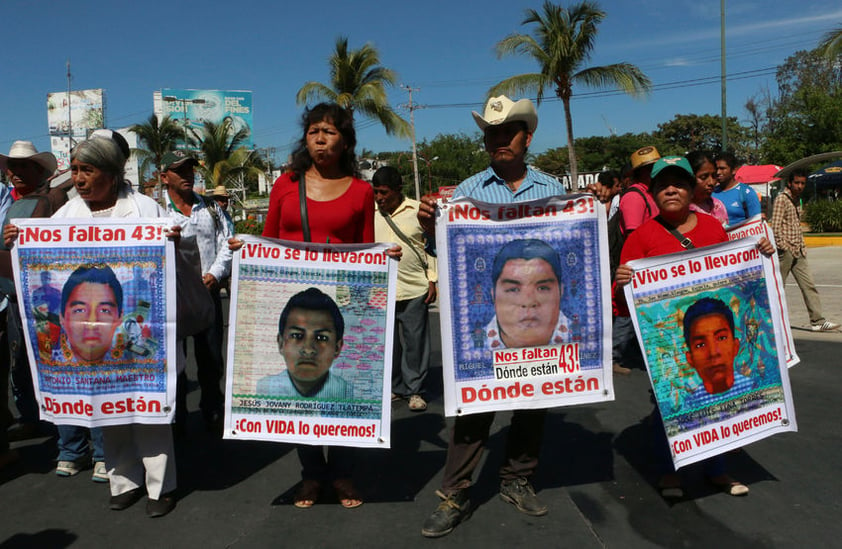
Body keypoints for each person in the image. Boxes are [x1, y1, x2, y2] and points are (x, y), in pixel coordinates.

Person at [231, 103, 399, 509]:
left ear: (346, 140)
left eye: (329, 131)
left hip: (341, 304)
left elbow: (365, 248)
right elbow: (268, 238)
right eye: (313, 131)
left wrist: (384, 259)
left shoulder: (361, 191)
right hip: (293, 303)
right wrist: (246, 250)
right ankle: (310, 476)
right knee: (300, 394)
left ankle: (341, 474)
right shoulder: (285, 185)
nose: (320, 139)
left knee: (343, 392)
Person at [8, 130, 181, 516]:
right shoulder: (66, 215)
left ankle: (161, 486)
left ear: (112, 172)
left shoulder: (144, 211)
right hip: (95, 344)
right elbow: (43, 262)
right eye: (75, 170)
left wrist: (173, 238)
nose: (80, 178)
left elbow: (171, 263)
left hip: (135, 337)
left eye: (88, 170)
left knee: (148, 412)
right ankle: (124, 481)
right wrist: (16, 242)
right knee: (109, 409)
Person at [417, 95, 566, 538]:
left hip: (538, 321)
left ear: (527, 138)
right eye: (492, 134)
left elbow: (572, 249)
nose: (500, 140)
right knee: (475, 406)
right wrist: (431, 230)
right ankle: (456, 492)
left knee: (533, 402)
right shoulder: (465, 193)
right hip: (486, 320)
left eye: (508, 132)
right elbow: (445, 252)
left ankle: (516, 479)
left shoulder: (554, 189)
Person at [615, 156, 774, 500]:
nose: (671, 190)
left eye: (679, 184)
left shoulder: (713, 229)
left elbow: (738, 279)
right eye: (663, 186)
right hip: (670, 343)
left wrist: (759, 252)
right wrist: (622, 281)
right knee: (669, 405)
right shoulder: (641, 237)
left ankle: (718, 470)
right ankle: (670, 471)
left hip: (712, 334)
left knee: (721, 401)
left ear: (692, 190)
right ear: (653, 192)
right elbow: (624, 305)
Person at [0, 141, 66, 444]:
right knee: (18, 362)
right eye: (13, 166)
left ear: (40, 170)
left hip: (45, 294)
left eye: (25, 166)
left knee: (51, 357)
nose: (17, 172)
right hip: (10, 295)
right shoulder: (5, 200)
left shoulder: (55, 200)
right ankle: (30, 417)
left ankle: (66, 426)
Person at [162, 150, 233, 433]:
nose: (188, 176)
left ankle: (212, 408)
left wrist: (214, 274)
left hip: (207, 293)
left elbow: (228, 242)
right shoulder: (157, 213)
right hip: (173, 297)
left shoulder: (212, 209)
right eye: (180, 171)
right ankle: (176, 415)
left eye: (190, 170)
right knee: (176, 362)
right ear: (164, 176)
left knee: (212, 357)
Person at [372, 166, 436, 411]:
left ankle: (415, 391)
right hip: (380, 290)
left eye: (384, 192)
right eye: (375, 192)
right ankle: (395, 387)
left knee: (415, 343)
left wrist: (432, 278)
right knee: (388, 344)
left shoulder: (417, 211)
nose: (379, 198)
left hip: (414, 288)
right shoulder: (369, 213)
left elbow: (430, 246)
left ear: (398, 190)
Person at [769, 169, 839, 332]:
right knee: (778, 287)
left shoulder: (796, 199)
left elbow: (795, 225)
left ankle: (817, 321)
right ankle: (770, 320)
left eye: (802, 183)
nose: (800, 186)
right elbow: (776, 225)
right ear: (790, 183)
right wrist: (783, 246)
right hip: (786, 251)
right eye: (797, 183)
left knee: (808, 285)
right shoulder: (782, 199)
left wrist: (801, 246)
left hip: (798, 250)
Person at [257, 288, 351, 399]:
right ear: (281, 343)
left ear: (337, 348)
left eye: (321, 338)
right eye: (297, 335)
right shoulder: (263, 390)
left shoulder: (349, 393)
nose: (308, 349)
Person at [485, 239, 569, 349]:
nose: (528, 302)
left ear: (560, 292)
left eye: (542, 288)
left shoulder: (587, 338)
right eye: (513, 290)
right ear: (493, 295)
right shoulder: (472, 345)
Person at [681, 298, 755, 410]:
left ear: (735, 346)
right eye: (700, 345)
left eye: (721, 338)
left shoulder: (753, 389)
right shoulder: (689, 406)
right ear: (690, 358)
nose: (713, 352)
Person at [56, 265, 123, 363]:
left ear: (119, 317)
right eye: (80, 310)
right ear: (62, 317)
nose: (92, 323)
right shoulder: (47, 359)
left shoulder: (135, 361)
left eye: (104, 310)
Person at [712, 151, 761, 227]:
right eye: (716, 169)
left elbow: (756, 223)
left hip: (739, 238)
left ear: (734, 170)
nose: (718, 172)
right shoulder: (711, 192)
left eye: (722, 168)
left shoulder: (746, 193)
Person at [687, 151, 728, 226]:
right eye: (703, 177)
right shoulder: (681, 210)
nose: (711, 182)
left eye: (714, 176)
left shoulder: (718, 206)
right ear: (689, 178)